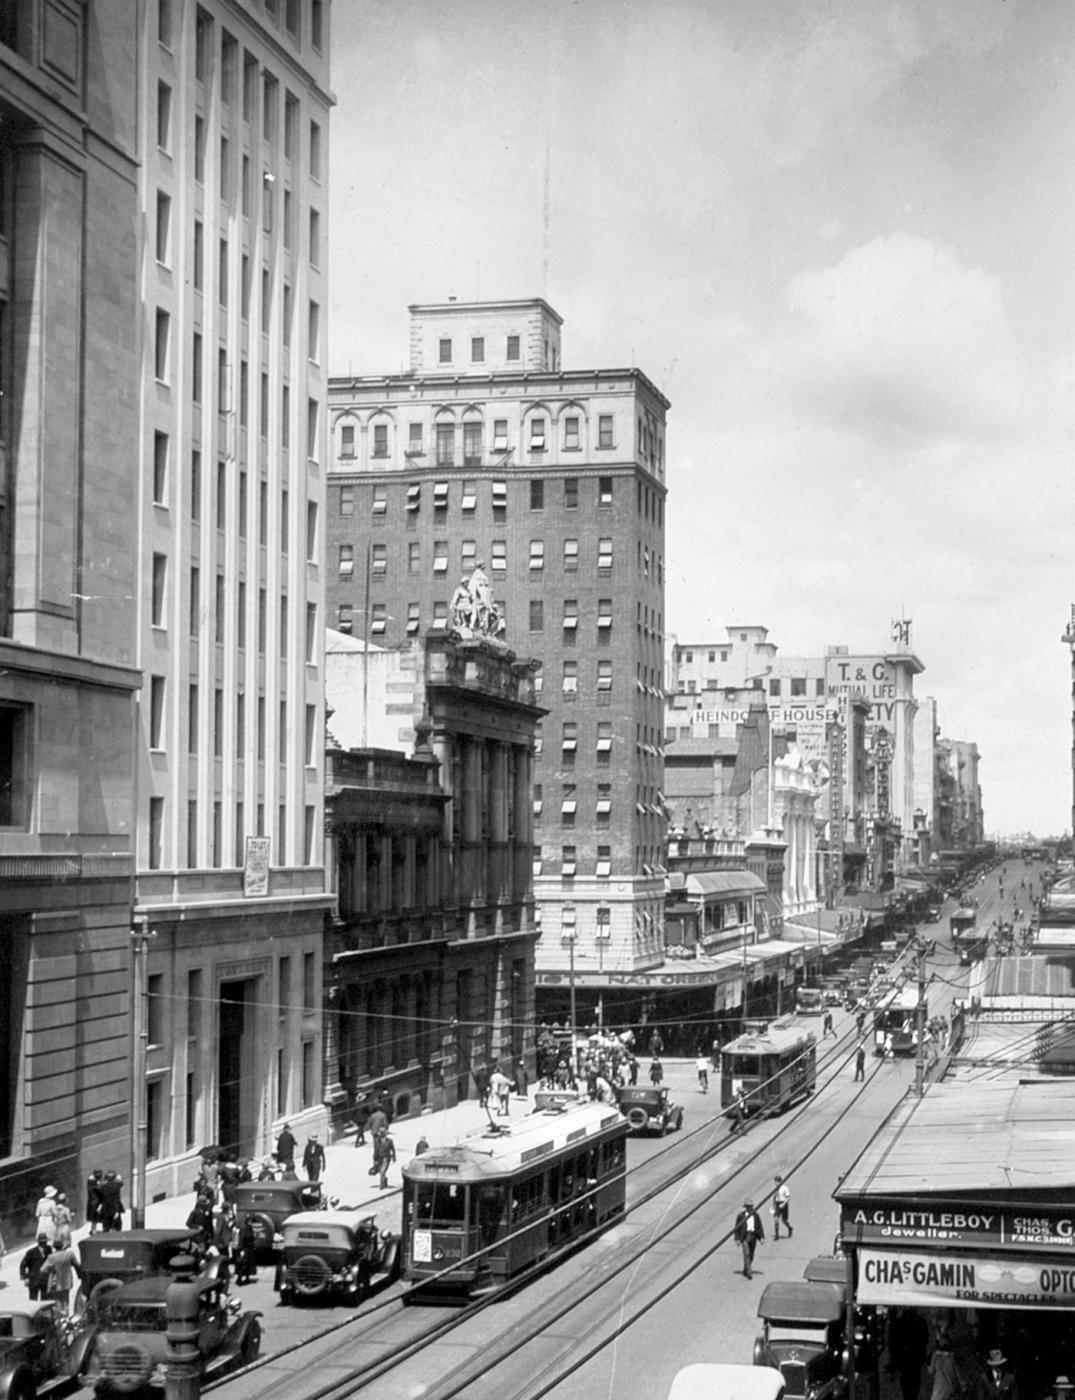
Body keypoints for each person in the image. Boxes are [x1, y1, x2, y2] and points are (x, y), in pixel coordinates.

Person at [888, 1309, 930, 1400]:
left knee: (906, 1381)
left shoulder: (898, 1322)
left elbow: (893, 1342)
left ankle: (908, 1396)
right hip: (916, 1356)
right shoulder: (921, 1321)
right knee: (915, 1379)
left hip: (904, 1356)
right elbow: (925, 1339)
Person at [733, 1198, 764, 1279]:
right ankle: (749, 1273)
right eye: (749, 1206)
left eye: (751, 1206)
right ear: (746, 1207)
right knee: (746, 1253)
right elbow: (736, 1228)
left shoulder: (756, 1215)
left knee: (751, 1255)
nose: (751, 1208)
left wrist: (761, 1237)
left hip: (753, 1236)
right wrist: (737, 1239)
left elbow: (759, 1226)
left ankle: (745, 1269)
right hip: (745, 1237)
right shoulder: (741, 1216)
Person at [927, 1331, 963, 1400]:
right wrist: (962, 1385)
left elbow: (930, 1371)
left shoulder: (936, 1356)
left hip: (939, 1387)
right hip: (951, 1388)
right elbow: (958, 1373)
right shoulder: (952, 1357)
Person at [772, 1175, 792, 1239]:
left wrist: (783, 1204)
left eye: (777, 1182)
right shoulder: (775, 1189)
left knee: (784, 1220)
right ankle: (777, 1235)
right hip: (777, 1204)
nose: (776, 1183)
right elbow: (775, 1197)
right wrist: (773, 1205)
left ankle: (790, 1228)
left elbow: (788, 1197)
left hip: (784, 1204)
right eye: (775, 1182)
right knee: (776, 1219)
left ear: (780, 1182)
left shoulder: (785, 1188)